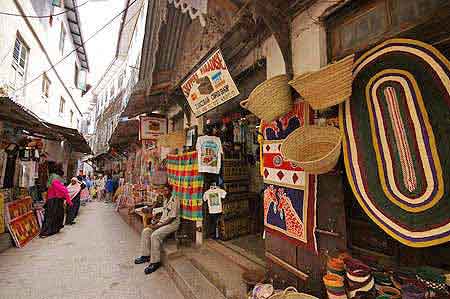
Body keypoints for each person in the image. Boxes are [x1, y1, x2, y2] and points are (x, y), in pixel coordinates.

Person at [134, 191, 180, 274]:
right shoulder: (166, 200)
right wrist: (156, 221)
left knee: (155, 235)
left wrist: (157, 226)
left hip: (172, 224)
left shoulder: (175, 200)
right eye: (163, 190)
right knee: (146, 231)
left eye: (166, 190)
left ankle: (155, 262)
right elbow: (165, 215)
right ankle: (145, 255)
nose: (164, 192)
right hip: (163, 223)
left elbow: (171, 219)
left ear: (170, 190)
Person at [40, 166, 72, 238]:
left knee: (52, 216)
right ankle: (47, 231)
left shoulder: (52, 179)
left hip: (52, 200)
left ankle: (49, 230)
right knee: (54, 216)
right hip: (55, 201)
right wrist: (69, 202)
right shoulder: (56, 180)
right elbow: (64, 191)